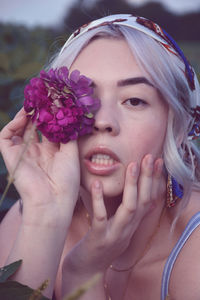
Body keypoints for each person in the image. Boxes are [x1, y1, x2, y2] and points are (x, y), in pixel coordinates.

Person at [0, 13, 200, 300]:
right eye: (82, 98)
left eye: (134, 100)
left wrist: (82, 274)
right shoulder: (25, 217)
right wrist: (43, 216)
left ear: (178, 128)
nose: (102, 121)